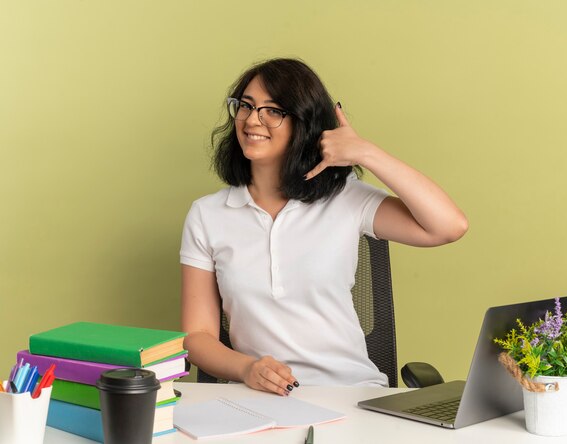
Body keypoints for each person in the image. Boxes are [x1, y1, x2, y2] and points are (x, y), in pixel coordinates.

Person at [180, 58, 468, 396]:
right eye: (246, 106)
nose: (252, 120)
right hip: (259, 397)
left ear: (304, 124)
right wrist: (247, 369)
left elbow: (449, 226)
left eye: (273, 110)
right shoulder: (208, 214)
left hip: (350, 394)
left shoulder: (345, 197)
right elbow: (197, 337)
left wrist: (367, 154)